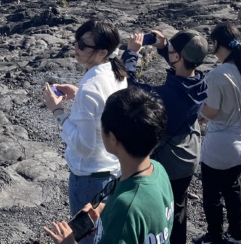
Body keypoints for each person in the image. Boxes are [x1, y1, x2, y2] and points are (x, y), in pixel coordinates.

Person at [44, 86, 174, 244]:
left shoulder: (125, 208)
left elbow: (130, 211)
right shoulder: (158, 171)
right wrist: (105, 209)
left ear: (112, 138)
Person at [42, 19, 128, 244]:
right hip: (112, 169)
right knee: (103, 233)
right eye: (76, 42)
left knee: (87, 238)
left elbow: (85, 146)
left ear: (102, 52)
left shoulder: (91, 88)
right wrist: (79, 91)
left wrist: (57, 111)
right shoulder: (116, 72)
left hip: (90, 176)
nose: (75, 48)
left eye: (82, 45)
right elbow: (104, 106)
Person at [122, 29, 208, 244]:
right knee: (178, 207)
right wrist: (164, 48)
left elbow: (132, 86)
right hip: (190, 154)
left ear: (177, 57)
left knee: (163, 210)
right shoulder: (199, 82)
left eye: (172, 51)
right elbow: (180, 65)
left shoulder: (167, 96)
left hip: (171, 163)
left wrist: (131, 53)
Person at [194, 23, 241, 244]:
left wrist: (199, 110)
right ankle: (236, 233)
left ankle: (215, 236)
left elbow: (212, 111)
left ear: (217, 44)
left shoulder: (218, 74)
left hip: (221, 146)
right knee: (232, 186)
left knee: (212, 195)